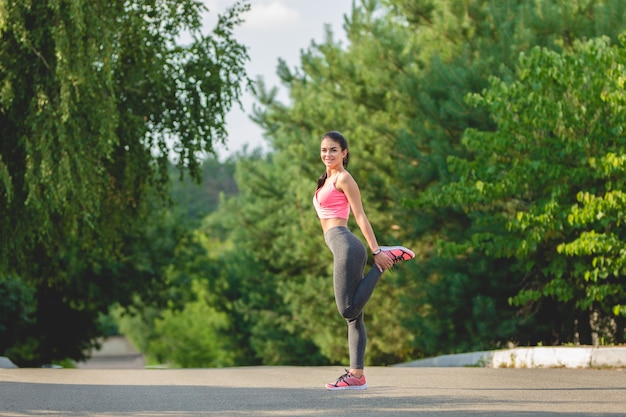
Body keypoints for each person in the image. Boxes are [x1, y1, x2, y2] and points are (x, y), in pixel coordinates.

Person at [313, 131, 415, 391]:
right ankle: (356, 374)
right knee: (353, 317)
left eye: (334, 150)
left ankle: (383, 262)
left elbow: (359, 215)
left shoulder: (345, 179)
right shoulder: (326, 179)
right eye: (324, 150)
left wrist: (376, 249)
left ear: (345, 153)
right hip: (340, 246)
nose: (328, 154)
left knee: (347, 309)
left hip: (347, 245)